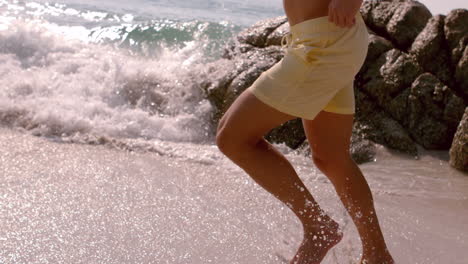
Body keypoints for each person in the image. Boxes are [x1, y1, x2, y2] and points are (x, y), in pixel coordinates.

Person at [216, 0, 395, 263]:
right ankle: (376, 254)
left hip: (325, 45)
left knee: (232, 138)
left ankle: (318, 226)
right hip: (326, 39)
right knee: (331, 157)